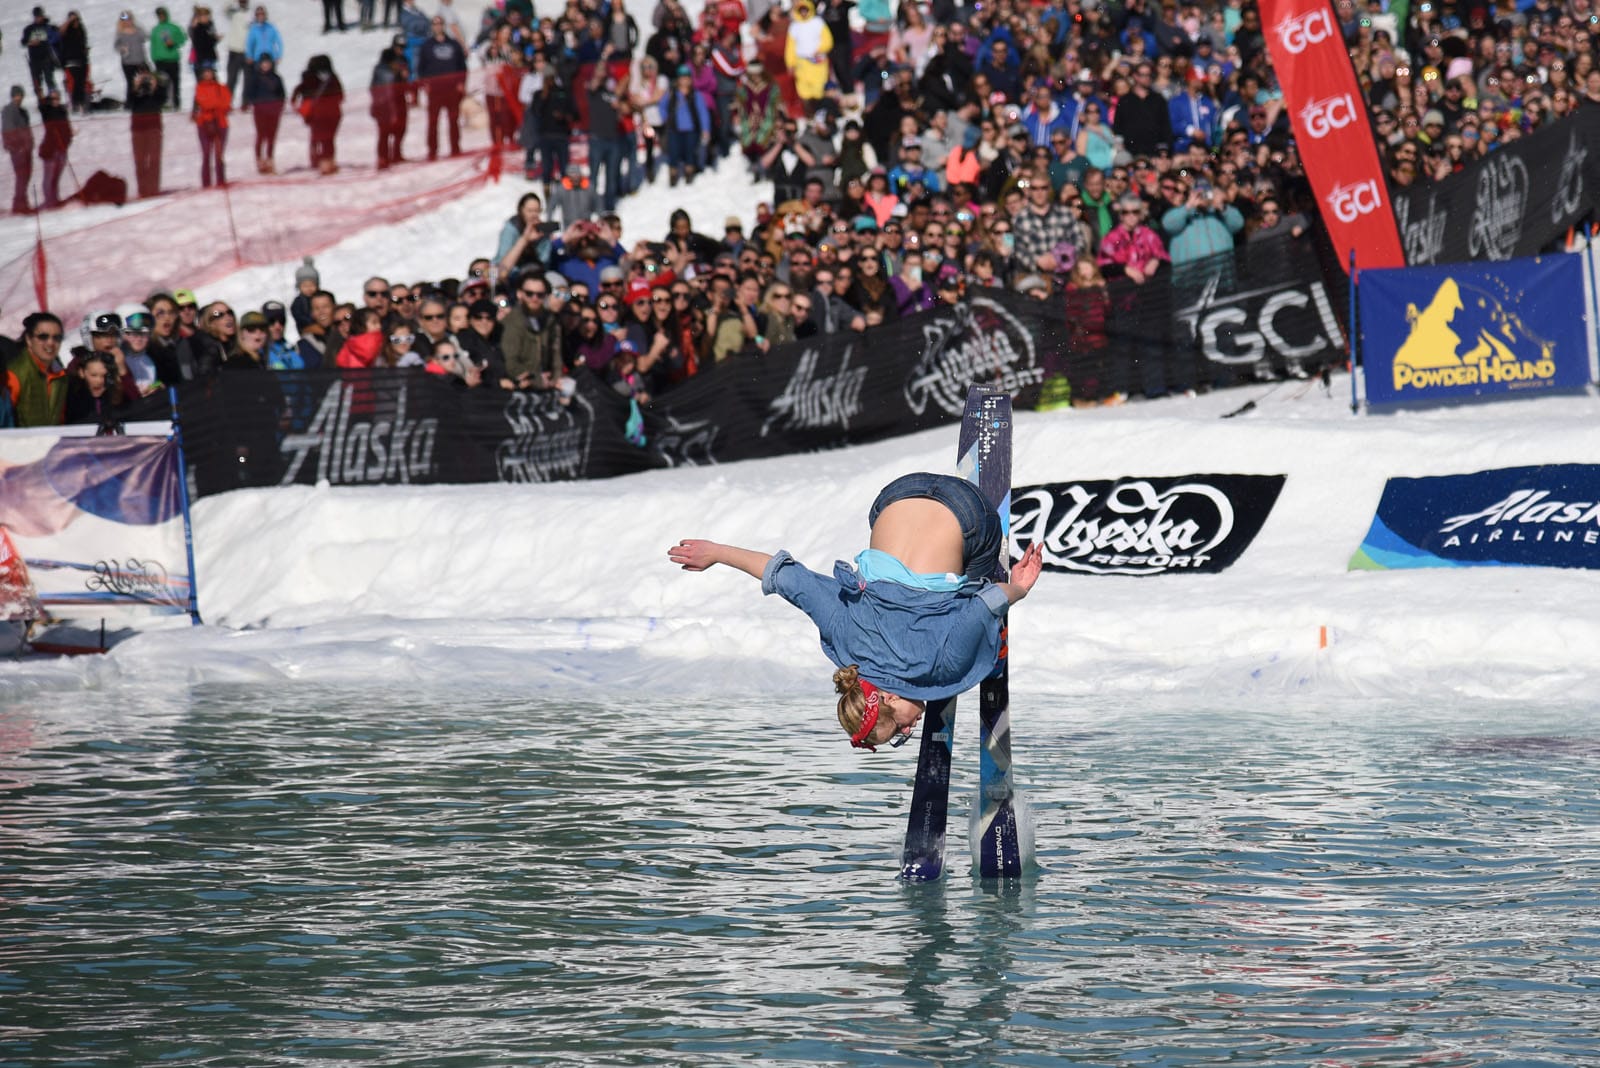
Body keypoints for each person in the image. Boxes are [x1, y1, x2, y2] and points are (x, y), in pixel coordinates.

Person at [667, 474, 1045, 745]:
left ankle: (990, 625)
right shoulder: (844, 637)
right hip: (895, 495)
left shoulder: (939, 667)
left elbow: (985, 605)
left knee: (975, 594)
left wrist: (1019, 587)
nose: (910, 730)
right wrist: (716, 552)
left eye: (898, 730)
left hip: (968, 510)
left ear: (889, 698)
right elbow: (787, 579)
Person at [5, 312, 70, 427]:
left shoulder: (61, 375)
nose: (50, 343)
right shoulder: (14, 375)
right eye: (43, 337)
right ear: (29, 339)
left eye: (57, 338)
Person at [416, 14, 467, 159]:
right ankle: (432, 151)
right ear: (432, 26)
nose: (438, 26)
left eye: (440, 23)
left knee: (453, 120)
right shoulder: (427, 46)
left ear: (443, 26)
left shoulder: (454, 44)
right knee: (433, 121)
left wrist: (461, 83)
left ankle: (455, 148)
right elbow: (421, 68)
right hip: (435, 90)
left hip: (452, 90)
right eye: (435, 24)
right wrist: (423, 84)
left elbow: (462, 67)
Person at [293, 54, 343, 174]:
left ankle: (320, 161)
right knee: (328, 140)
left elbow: (298, 93)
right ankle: (328, 162)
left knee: (320, 139)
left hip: (317, 115)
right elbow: (340, 95)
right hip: (332, 114)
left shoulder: (308, 79)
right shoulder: (332, 78)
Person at [127, 66, 166, 198]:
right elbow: (129, 103)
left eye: (146, 74)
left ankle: (153, 189)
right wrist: (135, 87)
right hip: (138, 130)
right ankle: (142, 189)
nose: (144, 78)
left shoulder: (157, 89)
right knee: (140, 161)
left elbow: (161, 101)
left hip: (154, 129)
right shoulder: (134, 90)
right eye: (141, 75)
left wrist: (155, 86)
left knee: (154, 160)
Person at [245, 54, 285, 173]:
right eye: (263, 63)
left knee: (272, 136)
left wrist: (279, 105)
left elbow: (282, 94)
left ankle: (270, 160)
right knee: (261, 135)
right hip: (260, 110)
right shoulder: (254, 78)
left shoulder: (276, 78)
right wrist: (257, 103)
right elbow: (249, 94)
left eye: (268, 62)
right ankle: (260, 161)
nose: (266, 65)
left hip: (274, 110)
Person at [193, 63, 230, 187]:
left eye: (209, 71)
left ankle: (221, 179)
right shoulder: (199, 88)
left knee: (219, 153)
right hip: (204, 124)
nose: (207, 74)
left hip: (220, 123)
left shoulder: (221, 88)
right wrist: (214, 106)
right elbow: (203, 102)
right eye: (205, 72)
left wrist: (214, 106)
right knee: (206, 153)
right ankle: (206, 181)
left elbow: (226, 103)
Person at [37, 90, 71, 210]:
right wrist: (44, 98)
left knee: (56, 177)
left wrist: (67, 141)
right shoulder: (47, 111)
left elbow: (67, 129)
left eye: (57, 98)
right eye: (52, 99)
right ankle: (48, 201)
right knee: (49, 177)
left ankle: (55, 199)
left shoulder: (62, 111)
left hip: (62, 149)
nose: (55, 101)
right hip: (50, 149)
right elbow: (41, 107)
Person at [149, 7, 187, 110]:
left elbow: (183, 39)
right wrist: (153, 58)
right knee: (161, 84)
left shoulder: (174, 27)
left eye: (162, 14)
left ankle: (176, 103)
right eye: (159, 15)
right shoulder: (155, 29)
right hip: (160, 61)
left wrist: (173, 42)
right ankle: (162, 103)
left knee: (175, 82)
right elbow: (153, 45)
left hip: (173, 60)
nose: (161, 16)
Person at [3, 86, 33, 215]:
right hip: (17, 150)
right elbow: (8, 130)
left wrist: (30, 143)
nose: (19, 98)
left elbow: (27, 128)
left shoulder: (23, 111)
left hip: (26, 149)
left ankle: (22, 202)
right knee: (21, 176)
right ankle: (19, 205)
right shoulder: (9, 110)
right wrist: (16, 146)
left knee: (26, 176)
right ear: (12, 96)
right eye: (16, 95)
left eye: (20, 95)